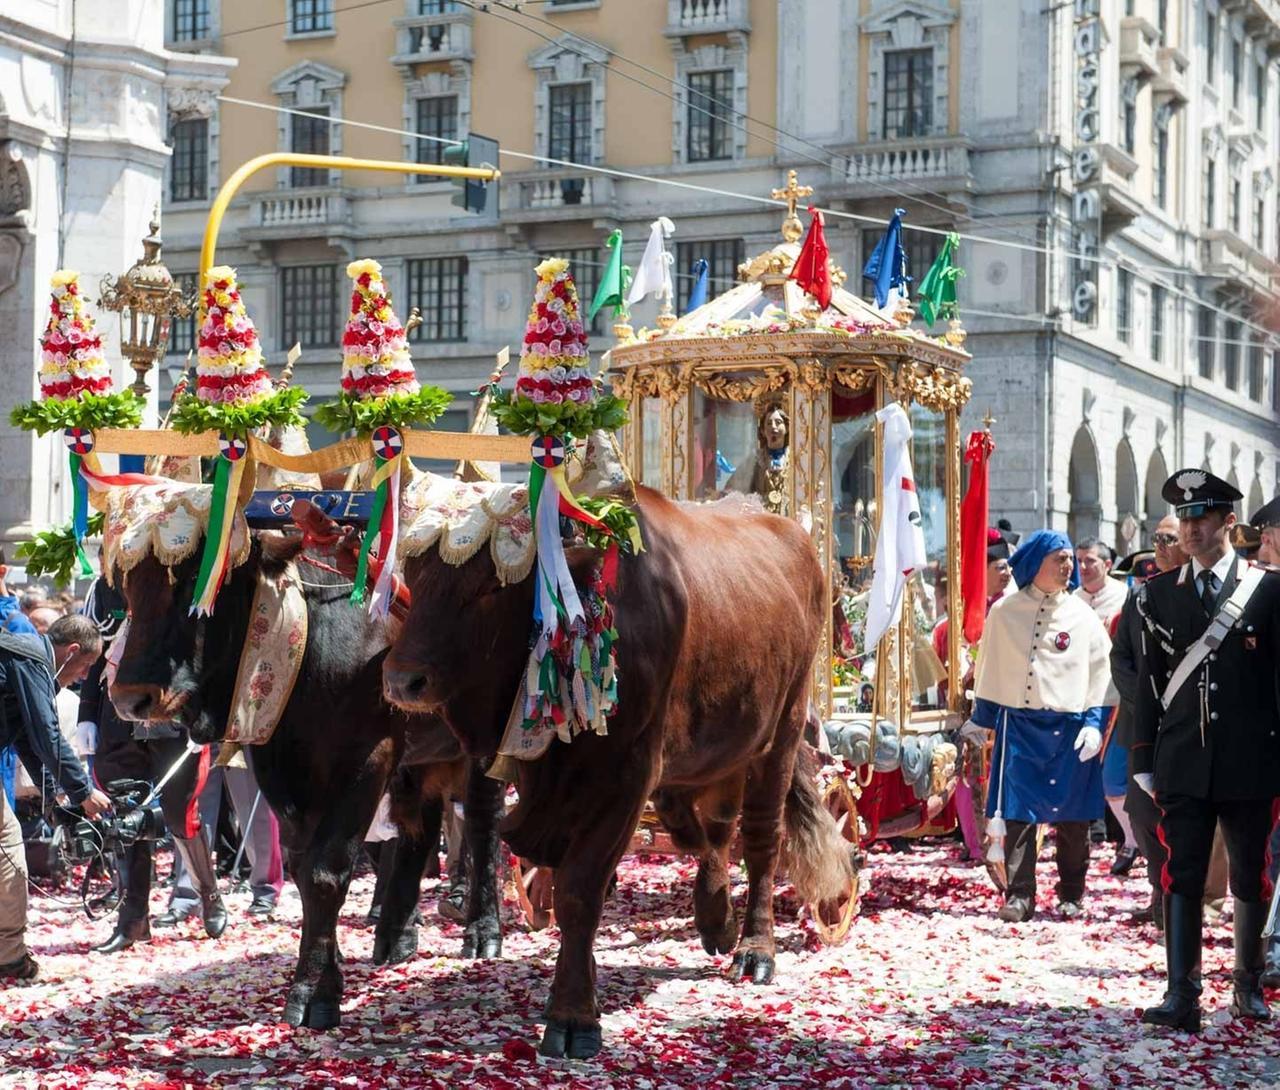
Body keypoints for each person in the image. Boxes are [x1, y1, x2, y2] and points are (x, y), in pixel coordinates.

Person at [1134, 471, 1280, 1031]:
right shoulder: (1154, 596)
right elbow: (1148, 685)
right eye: (1185, 519)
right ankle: (1182, 994)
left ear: (1229, 524)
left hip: (1251, 760)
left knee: (1249, 872)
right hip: (1182, 761)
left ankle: (1247, 985)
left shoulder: (1266, 590)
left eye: (1202, 518)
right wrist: (1143, 758)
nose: (1191, 530)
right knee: (1182, 872)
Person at [963, 530, 1112, 922]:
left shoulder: (1083, 615)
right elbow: (989, 667)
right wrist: (981, 720)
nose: (1068, 567)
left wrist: (1095, 723)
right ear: (1035, 565)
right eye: (1059, 559)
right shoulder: (1004, 612)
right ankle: (1020, 894)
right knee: (1018, 815)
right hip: (1022, 725)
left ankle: (1072, 892)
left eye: (1069, 559)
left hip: (1071, 727)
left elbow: (1101, 672)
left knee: (1074, 817)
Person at [81, 579, 228, 952]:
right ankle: (133, 920)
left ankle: (207, 893)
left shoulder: (185, 582)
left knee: (181, 815)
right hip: (118, 721)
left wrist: (204, 716)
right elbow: (98, 653)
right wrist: (87, 716)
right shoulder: (104, 589)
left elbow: (203, 652)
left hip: (172, 718)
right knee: (126, 820)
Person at [1, 615, 110, 982]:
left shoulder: (23, 656)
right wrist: (84, 793)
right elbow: (46, 737)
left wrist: (54, 805)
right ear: (73, 651)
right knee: (6, 841)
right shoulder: (33, 660)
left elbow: (27, 740)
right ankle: (9, 954)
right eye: (85, 667)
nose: (83, 677)